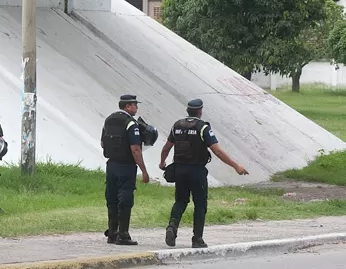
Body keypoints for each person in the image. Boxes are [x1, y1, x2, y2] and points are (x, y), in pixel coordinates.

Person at [159, 98, 248, 248]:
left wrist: (162, 163)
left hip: (180, 170)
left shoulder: (177, 126)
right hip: (197, 171)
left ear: (188, 111)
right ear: (200, 111)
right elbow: (217, 151)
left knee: (180, 201)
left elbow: (167, 147)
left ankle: (172, 227)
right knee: (200, 204)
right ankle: (197, 238)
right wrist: (235, 165)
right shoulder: (203, 128)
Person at [100, 94, 149, 245]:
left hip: (111, 165)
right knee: (125, 200)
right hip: (126, 166)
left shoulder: (109, 120)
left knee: (112, 199)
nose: (136, 108)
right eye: (135, 105)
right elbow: (135, 149)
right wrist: (144, 171)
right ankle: (123, 234)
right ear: (128, 106)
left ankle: (112, 233)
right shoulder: (130, 123)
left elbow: (103, 143)